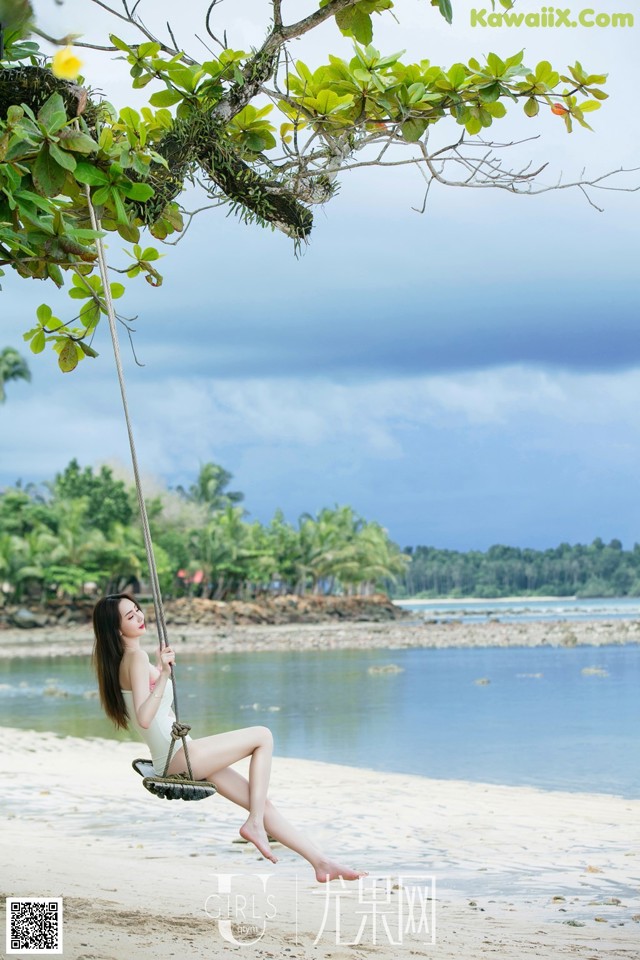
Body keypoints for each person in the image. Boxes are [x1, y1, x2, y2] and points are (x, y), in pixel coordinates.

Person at [92, 593, 367, 883]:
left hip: (179, 756)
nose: (140, 617)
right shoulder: (136, 657)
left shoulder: (125, 660)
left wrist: (161, 673)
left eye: (138, 610)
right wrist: (162, 675)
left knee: (259, 801)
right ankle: (256, 824)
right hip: (178, 759)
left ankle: (321, 863)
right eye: (130, 616)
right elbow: (145, 717)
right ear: (116, 628)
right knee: (263, 736)